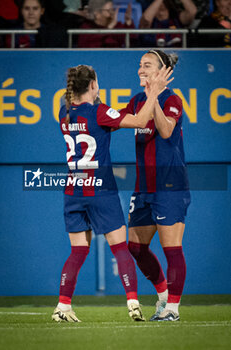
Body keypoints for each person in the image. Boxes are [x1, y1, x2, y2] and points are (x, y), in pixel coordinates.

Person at [52, 64, 174, 323]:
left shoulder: (65, 112)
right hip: (101, 190)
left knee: (77, 252)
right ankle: (132, 302)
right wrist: (154, 92)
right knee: (120, 247)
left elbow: (97, 120)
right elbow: (140, 121)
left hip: (73, 191)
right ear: (94, 85)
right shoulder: (99, 111)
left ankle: (63, 306)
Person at [120, 49, 191, 321]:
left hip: (170, 185)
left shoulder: (172, 99)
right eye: (140, 65)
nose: (140, 69)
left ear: (162, 72)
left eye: (147, 65)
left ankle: (172, 308)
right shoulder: (136, 100)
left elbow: (165, 130)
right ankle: (163, 295)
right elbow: (114, 121)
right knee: (136, 247)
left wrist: (155, 98)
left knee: (171, 247)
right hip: (143, 187)